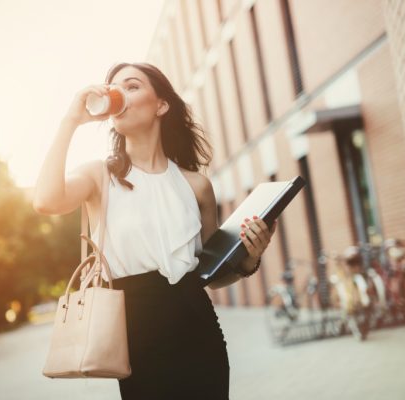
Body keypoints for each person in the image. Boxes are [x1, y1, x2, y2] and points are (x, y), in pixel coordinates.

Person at [33, 62, 277, 400]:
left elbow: (212, 274)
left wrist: (250, 259)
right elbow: (46, 201)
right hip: (138, 342)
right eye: (113, 87)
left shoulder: (196, 186)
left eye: (132, 86)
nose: (118, 94)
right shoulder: (99, 176)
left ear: (161, 105)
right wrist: (71, 120)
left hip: (199, 334)